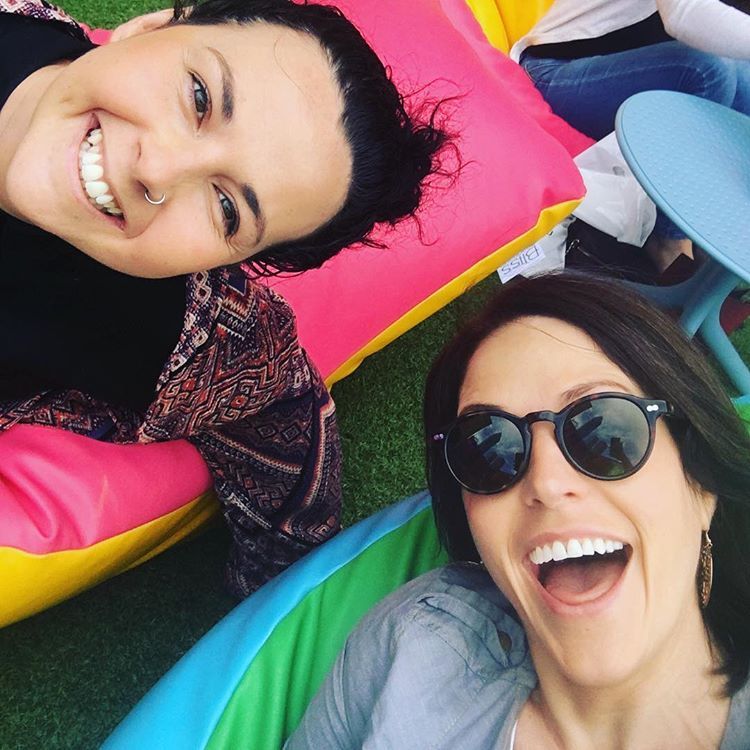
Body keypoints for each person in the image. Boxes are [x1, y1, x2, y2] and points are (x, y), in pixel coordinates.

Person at [0, 0, 447, 596]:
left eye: (228, 209)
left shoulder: (176, 330)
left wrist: (269, 607)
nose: (159, 169)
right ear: (148, 28)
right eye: (199, 97)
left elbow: (285, 421)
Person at [286, 272, 750, 749]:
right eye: (489, 449)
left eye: (601, 427)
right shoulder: (408, 642)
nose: (545, 483)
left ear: (701, 484)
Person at [510, 0, 750, 272]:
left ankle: (716, 228)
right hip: (552, 70)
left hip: (629, 72)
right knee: (708, 72)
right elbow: (684, 14)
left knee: (744, 77)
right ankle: (669, 238)